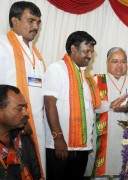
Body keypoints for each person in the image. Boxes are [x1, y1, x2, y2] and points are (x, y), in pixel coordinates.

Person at [43, 31, 101, 180]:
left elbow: (91, 107)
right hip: (61, 145)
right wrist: (58, 138)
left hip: (82, 147)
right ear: (74, 49)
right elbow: (49, 104)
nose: (89, 55)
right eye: (86, 51)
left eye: (91, 52)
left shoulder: (86, 76)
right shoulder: (57, 69)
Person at [0, 1, 45, 176]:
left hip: (37, 126)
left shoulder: (37, 54)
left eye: (38, 22)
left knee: (34, 169)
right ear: (15, 21)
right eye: (30, 21)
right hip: (11, 127)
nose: (35, 26)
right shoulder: (3, 46)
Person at [87, 47, 128, 179]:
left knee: (125, 171)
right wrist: (111, 105)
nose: (119, 65)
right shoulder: (97, 80)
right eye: (115, 61)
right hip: (102, 138)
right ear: (107, 63)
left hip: (125, 137)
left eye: (123, 61)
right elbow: (90, 105)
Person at [0, 85, 41, 179]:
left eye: (25, 107)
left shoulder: (23, 138)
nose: (26, 113)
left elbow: (36, 173)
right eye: (19, 108)